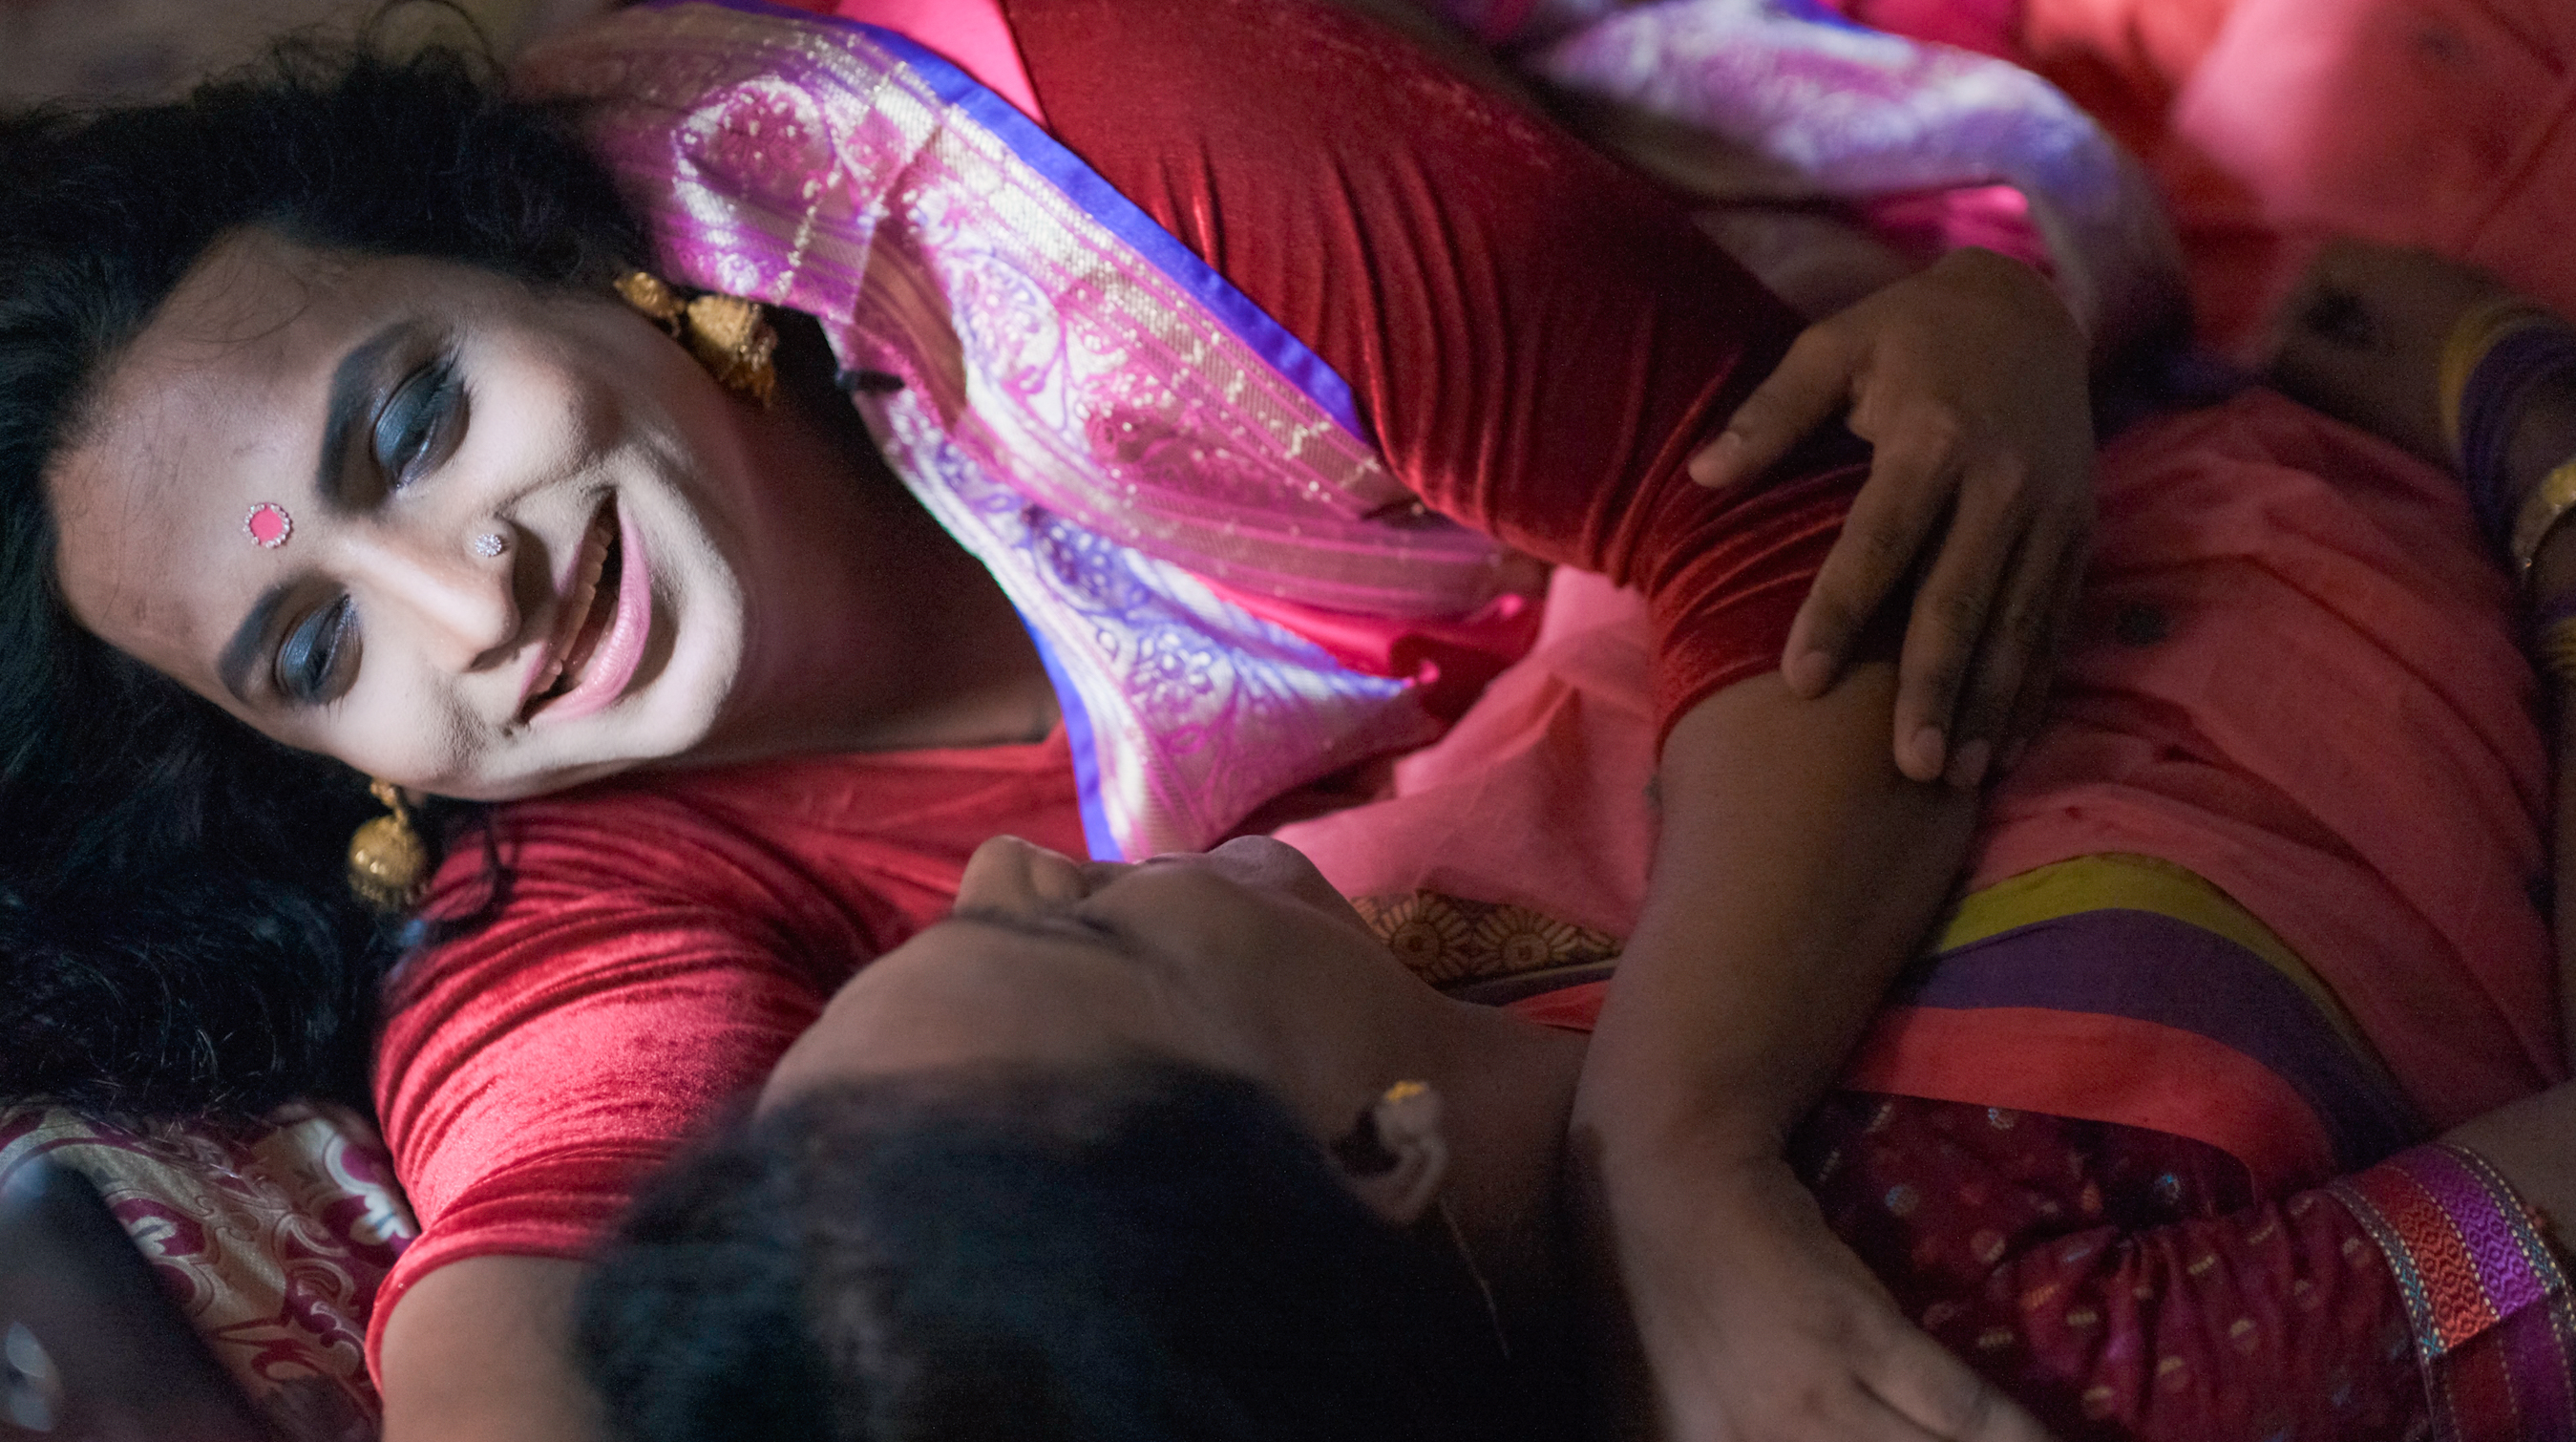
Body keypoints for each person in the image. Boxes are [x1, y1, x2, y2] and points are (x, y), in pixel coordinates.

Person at [0, 0, 2124, 1438]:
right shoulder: (569, 849)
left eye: (415, 417)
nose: (474, 598)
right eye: (307, 643)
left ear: (564, 260)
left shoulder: (1090, 164)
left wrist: (1675, 1163)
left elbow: (1770, 526)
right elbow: (532, 1242)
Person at [581, 235, 2576, 1435]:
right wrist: (2512, 418)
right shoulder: (2022, 1362)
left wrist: (1987, 329)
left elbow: (1804, 449)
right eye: (1077, 936)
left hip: (2227, 350)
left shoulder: (1378, 916)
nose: (1020, 858)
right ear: (1374, 1151)